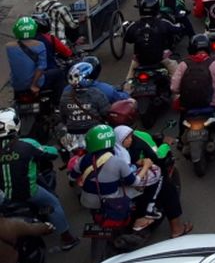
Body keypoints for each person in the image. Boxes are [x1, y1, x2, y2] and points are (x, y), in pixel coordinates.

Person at [0, 108, 77, 250]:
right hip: (29, 192)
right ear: (13, 125)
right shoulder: (27, 143)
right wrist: (55, 149)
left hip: (5, 197)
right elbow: (50, 153)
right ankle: (67, 239)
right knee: (53, 205)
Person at [114, 125, 191, 238]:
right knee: (167, 188)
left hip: (120, 186)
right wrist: (165, 145)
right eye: (127, 138)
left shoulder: (112, 146)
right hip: (135, 179)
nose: (130, 139)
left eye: (130, 137)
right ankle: (177, 230)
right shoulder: (140, 137)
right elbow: (158, 156)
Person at [69, 125, 139, 234]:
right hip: (110, 202)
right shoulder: (118, 162)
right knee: (137, 190)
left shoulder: (83, 159)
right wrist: (145, 167)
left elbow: (71, 177)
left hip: (87, 202)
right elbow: (134, 182)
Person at [59, 59, 127, 137]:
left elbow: (63, 117)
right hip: (96, 134)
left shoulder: (65, 93)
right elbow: (106, 113)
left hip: (73, 135)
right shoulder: (97, 92)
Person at [123, 0, 182, 80]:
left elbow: (128, 39)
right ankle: (177, 93)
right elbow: (177, 29)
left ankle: (126, 90)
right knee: (176, 76)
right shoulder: (163, 23)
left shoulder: (134, 26)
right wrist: (180, 23)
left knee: (129, 79)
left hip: (140, 61)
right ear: (156, 9)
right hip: (160, 59)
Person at [6, 17, 63, 103]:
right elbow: (41, 67)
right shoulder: (40, 45)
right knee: (58, 73)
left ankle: (16, 100)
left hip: (17, 85)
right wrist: (33, 85)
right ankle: (57, 104)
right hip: (37, 83)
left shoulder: (9, 47)